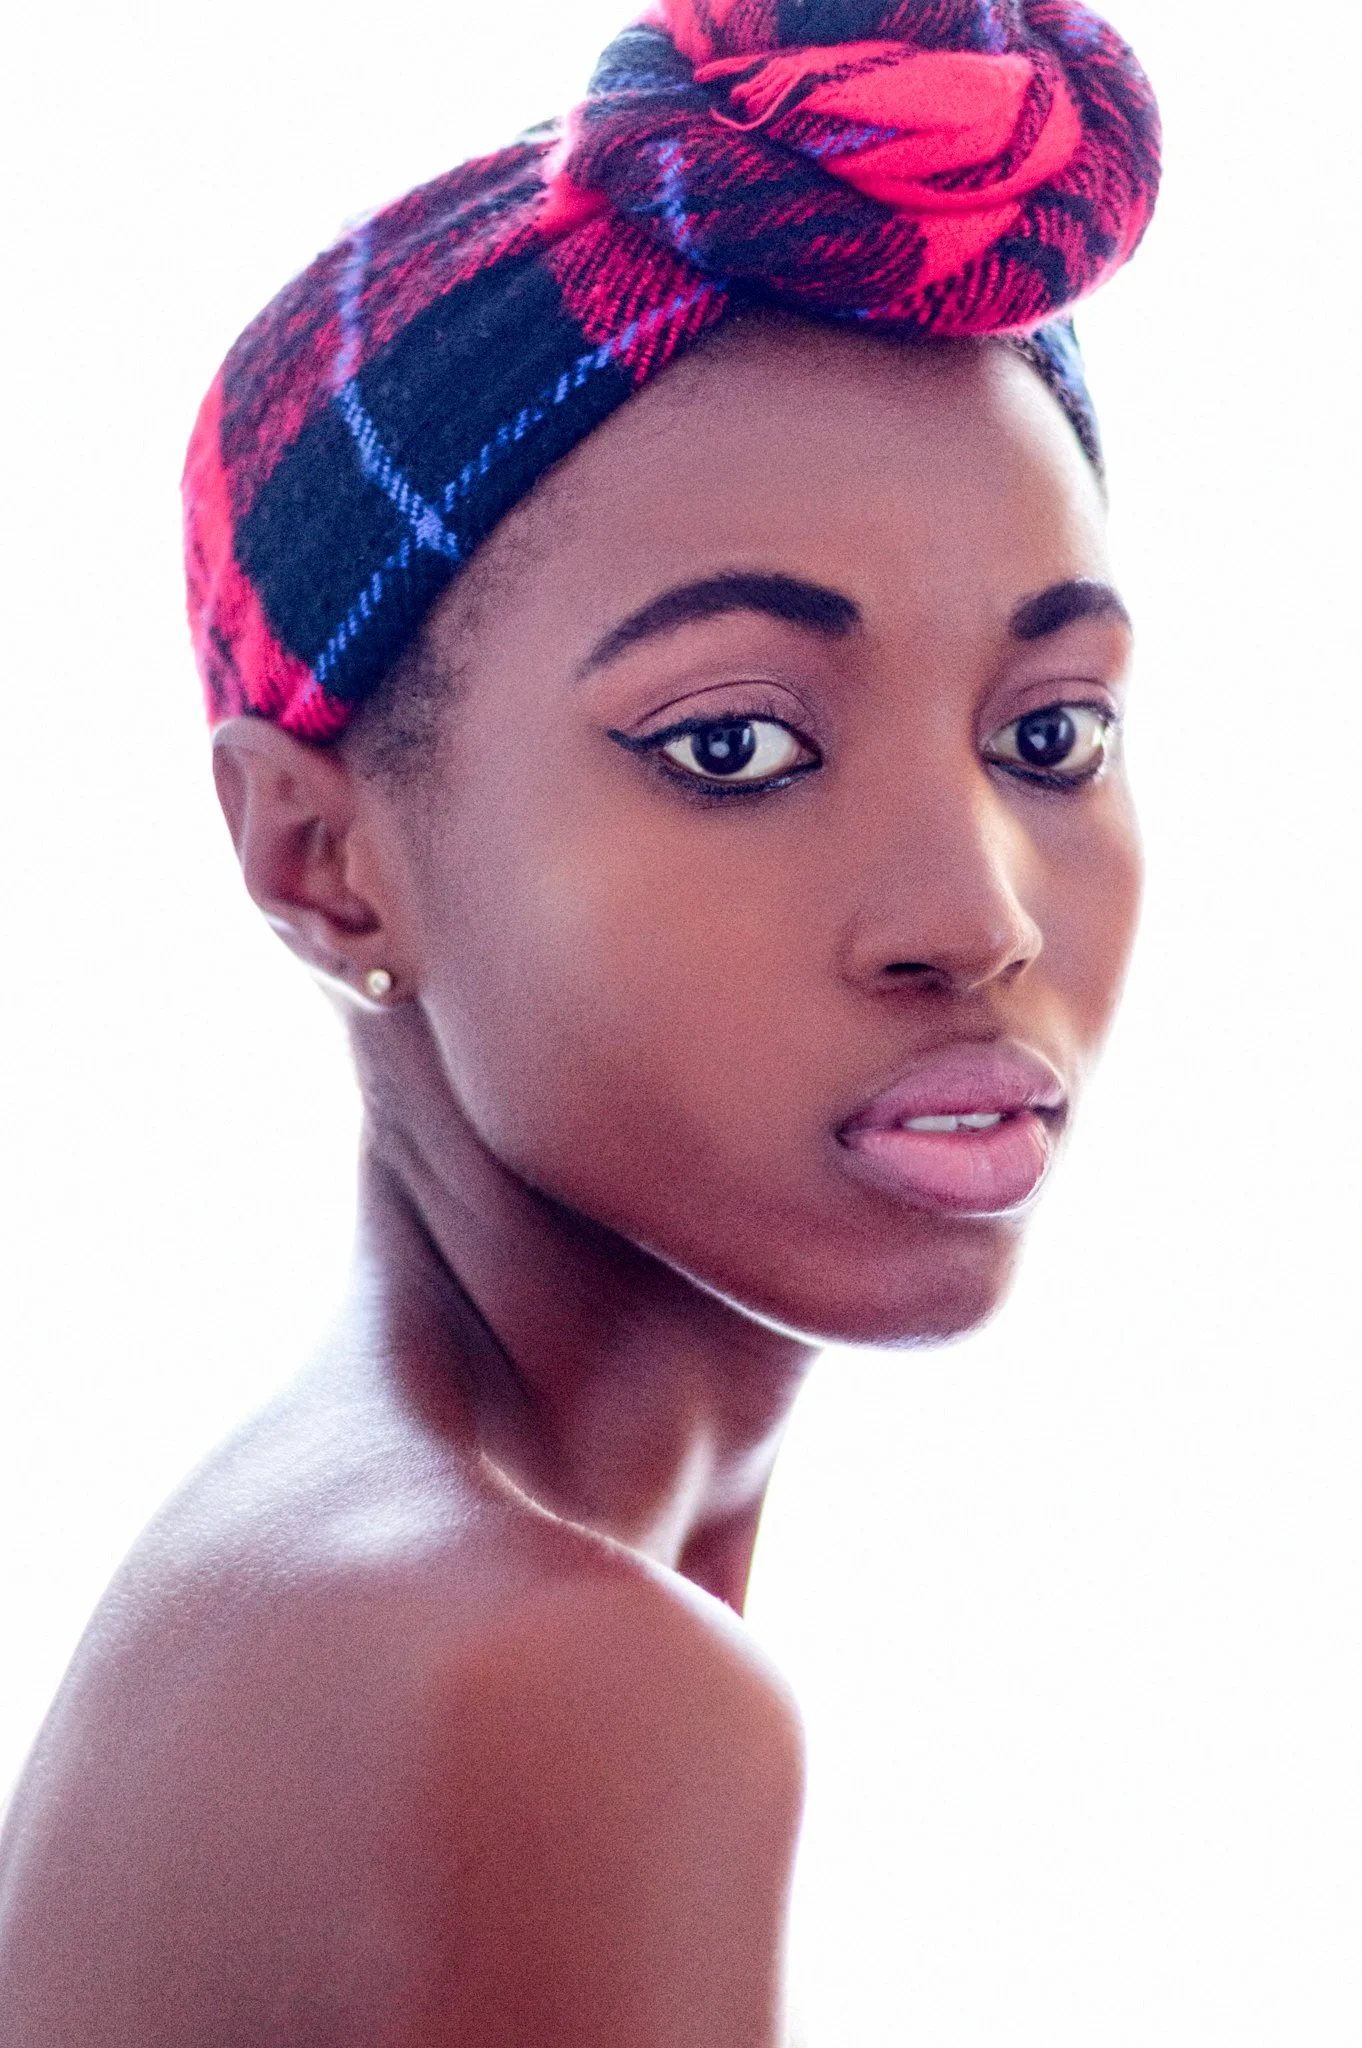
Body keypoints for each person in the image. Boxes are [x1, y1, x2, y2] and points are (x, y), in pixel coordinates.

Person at [0, 1, 1161, 2040]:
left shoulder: (334, 1572)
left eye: (1048, 732)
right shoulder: (541, 1686)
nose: (972, 918)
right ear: (319, 855)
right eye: (734, 744)